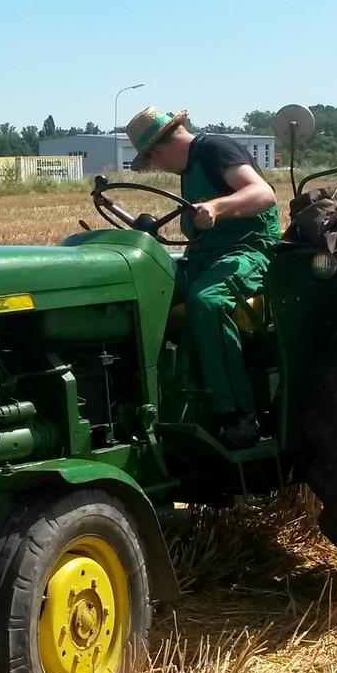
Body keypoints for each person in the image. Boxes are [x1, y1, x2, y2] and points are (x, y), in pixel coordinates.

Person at [126, 107, 281, 449]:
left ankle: (238, 415)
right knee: (149, 289)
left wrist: (216, 207)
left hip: (249, 251)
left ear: (159, 148)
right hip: (205, 257)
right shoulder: (189, 169)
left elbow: (263, 194)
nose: (153, 167)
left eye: (149, 159)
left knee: (208, 301)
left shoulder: (214, 149)